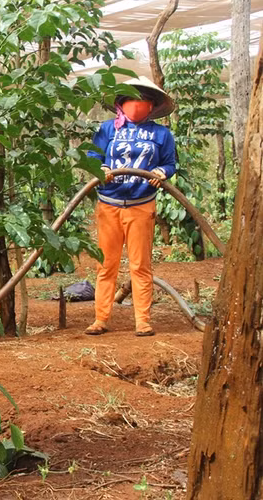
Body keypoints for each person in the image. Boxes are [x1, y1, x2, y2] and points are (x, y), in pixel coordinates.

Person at [86, 76, 176, 337]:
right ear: (121, 103)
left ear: (152, 105)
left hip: (141, 205)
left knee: (140, 265)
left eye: (144, 100)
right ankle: (100, 319)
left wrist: (162, 172)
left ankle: (143, 321)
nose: (137, 104)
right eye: (132, 99)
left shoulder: (162, 134)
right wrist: (101, 168)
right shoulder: (107, 129)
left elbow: (169, 163)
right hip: (109, 204)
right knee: (106, 265)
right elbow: (93, 156)